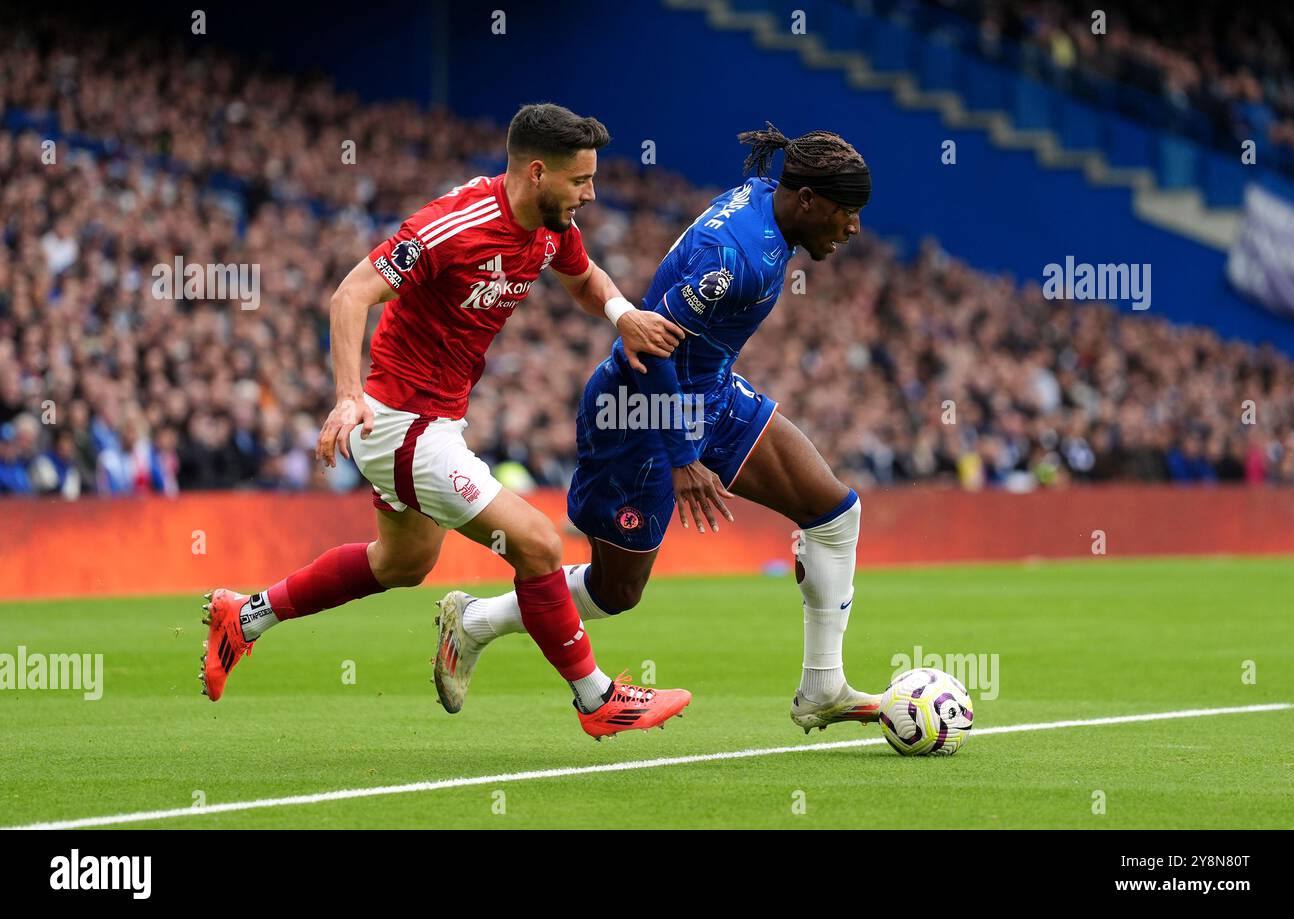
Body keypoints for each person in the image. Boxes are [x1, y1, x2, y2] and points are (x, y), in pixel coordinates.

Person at [200, 103, 692, 740]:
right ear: (537, 172)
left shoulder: (549, 226)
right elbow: (351, 294)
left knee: (402, 563)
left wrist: (621, 313)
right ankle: (597, 699)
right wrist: (348, 395)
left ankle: (245, 616)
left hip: (435, 422)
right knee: (539, 544)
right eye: (580, 181)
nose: (590, 194)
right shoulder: (453, 227)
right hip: (400, 424)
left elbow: (584, 277)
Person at [437, 124, 882, 734]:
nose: (852, 227)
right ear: (806, 201)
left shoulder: (764, 205)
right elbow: (645, 349)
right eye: (846, 212)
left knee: (834, 513)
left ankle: (822, 686)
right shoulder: (736, 262)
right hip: (638, 414)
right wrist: (681, 456)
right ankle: (476, 622)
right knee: (617, 591)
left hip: (712, 393)